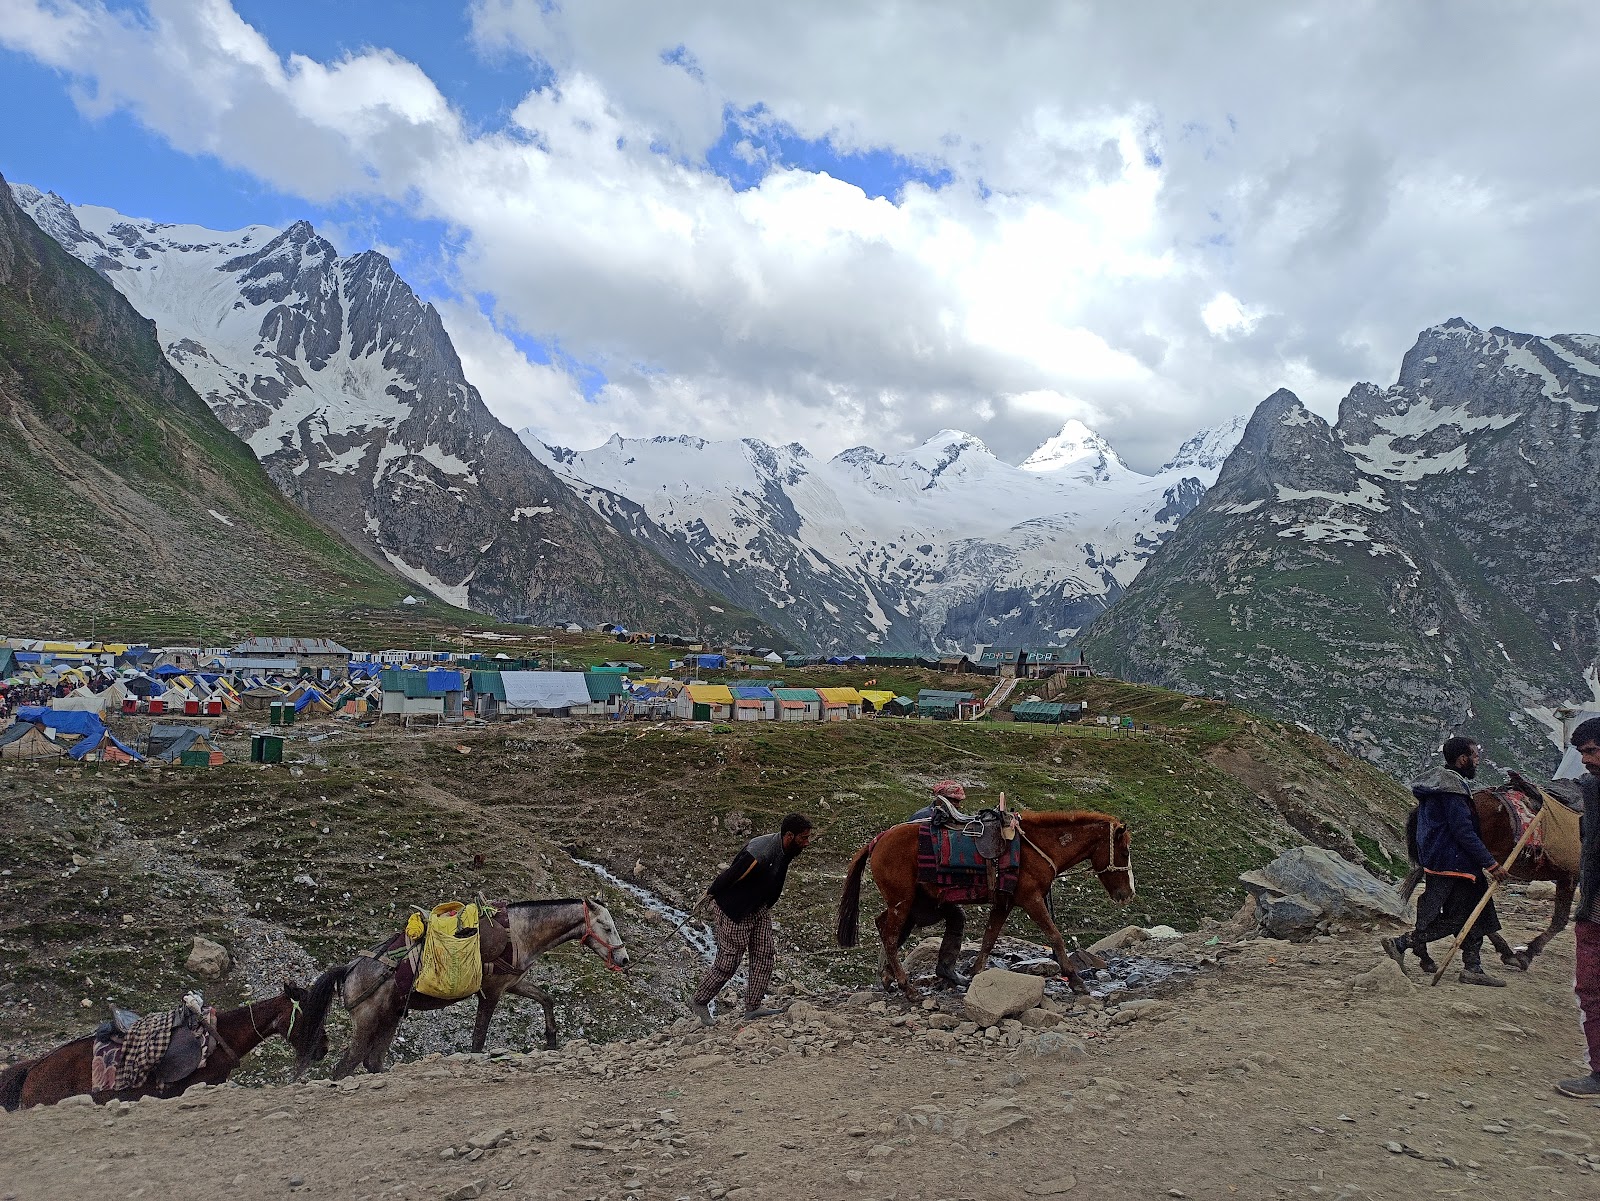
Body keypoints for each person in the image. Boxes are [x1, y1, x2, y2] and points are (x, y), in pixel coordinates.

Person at [1383, 737, 1509, 985]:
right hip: (1456, 865)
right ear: (1462, 759)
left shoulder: (1440, 786)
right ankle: (1402, 943)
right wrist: (1491, 864)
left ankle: (1473, 967)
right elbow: (1464, 832)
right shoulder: (1452, 791)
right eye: (1474, 756)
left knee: (1475, 912)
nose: (1477, 761)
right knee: (1460, 918)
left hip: (1443, 862)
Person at [690, 813, 814, 1026]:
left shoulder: (786, 849)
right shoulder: (759, 853)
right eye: (803, 838)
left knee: (765, 954)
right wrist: (708, 895)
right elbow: (731, 875)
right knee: (728, 962)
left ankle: (753, 1006)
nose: (807, 843)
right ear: (789, 836)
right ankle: (699, 1001)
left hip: (758, 907)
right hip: (734, 910)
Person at [1557, 717, 1600, 1098]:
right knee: (1590, 988)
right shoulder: (1591, 790)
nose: (1585, 760)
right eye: (1582, 753)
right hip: (1594, 909)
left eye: (1591, 751)